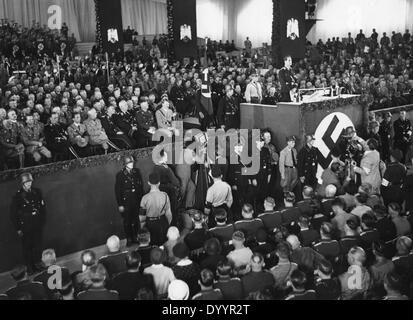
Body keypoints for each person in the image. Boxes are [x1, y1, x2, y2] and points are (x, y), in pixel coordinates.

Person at [10, 173, 46, 274]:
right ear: (22, 183)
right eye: (26, 182)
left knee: (37, 245)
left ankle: (37, 264)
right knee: (27, 248)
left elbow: (42, 207)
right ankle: (29, 267)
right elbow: (13, 215)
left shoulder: (37, 192)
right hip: (25, 226)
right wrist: (18, 228)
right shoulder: (18, 196)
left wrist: (42, 221)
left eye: (30, 181)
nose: (29, 183)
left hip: (37, 224)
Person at [115, 156, 144, 247]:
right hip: (126, 201)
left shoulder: (136, 172)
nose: (132, 164)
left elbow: (140, 186)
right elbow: (117, 190)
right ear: (125, 164)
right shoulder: (120, 174)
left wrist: (142, 200)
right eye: (130, 163)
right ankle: (129, 239)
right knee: (127, 221)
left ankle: (136, 237)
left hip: (136, 199)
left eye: (132, 162)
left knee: (136, 220)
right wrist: (120, 204)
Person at [140, 172, 172, 246]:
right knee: (163, 245)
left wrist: (143, 229)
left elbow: (142, 217)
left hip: (150, 224)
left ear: (148, 183)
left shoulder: (145, 198)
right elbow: (169, 214)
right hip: (163, 222)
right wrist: (167, 225)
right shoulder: (165, 195)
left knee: (152, 246)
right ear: (159, 183)